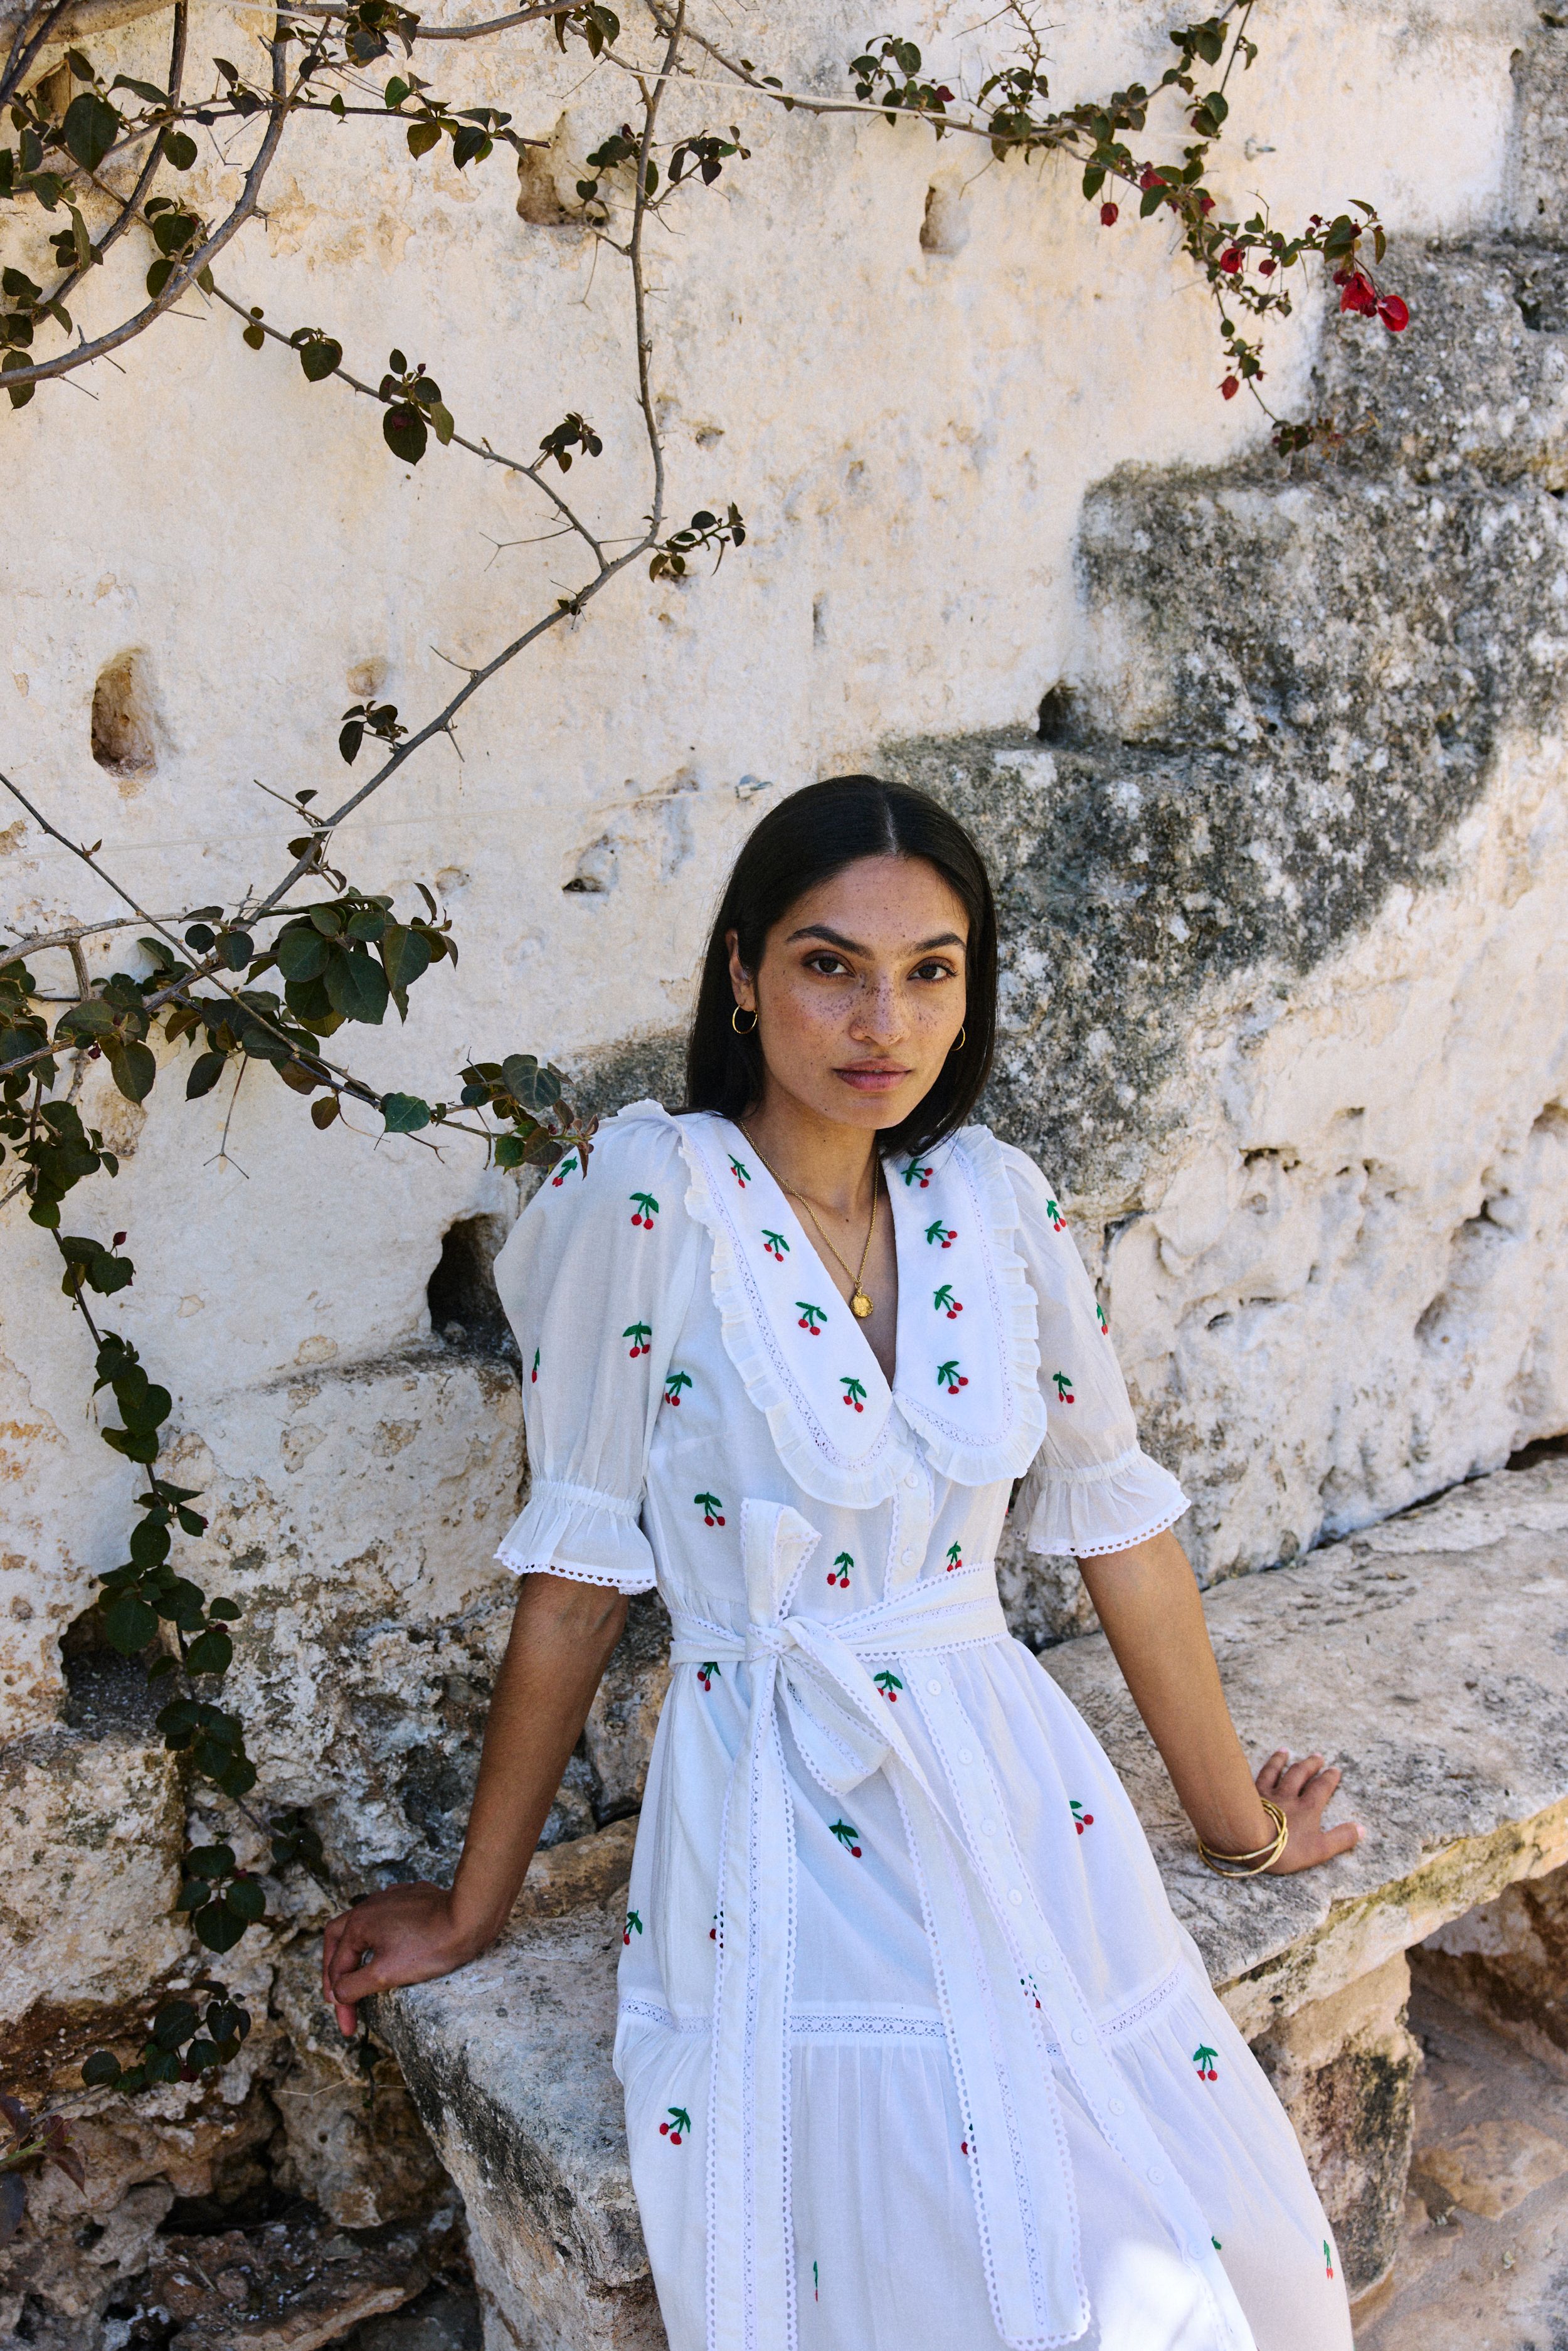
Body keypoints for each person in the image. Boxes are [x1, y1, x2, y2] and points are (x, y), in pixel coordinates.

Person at [322, 776, 1362, 2351]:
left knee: (1198, 2241)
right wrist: (477, 1908)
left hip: (1010, 1771)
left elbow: (1118, 1527)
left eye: (929, 969)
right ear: (742, 974)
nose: (882, 1016)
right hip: (778, 1786)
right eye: (830, 963)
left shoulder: (993, 1201)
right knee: (972, 2250)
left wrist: (1235, 1831)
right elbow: (580, 1573)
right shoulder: (652, 1193)